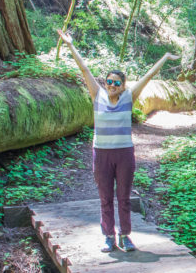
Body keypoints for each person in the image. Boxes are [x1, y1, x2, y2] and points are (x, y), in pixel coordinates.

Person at [56, 29, 179, 253]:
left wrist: (165, 57)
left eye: (116, 82)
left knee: (123, 197)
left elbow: (148, 76)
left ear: (123, 85)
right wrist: (70, 45)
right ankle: (108, 237)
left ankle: (125, 236)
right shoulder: (97, 95)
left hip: (124, 154)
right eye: (109, 81)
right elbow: (84, 69)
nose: (111, 85)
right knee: (105, 198)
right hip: (101, 154)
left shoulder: (128, 98)